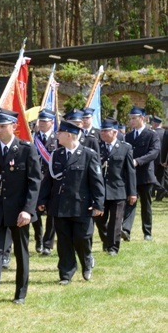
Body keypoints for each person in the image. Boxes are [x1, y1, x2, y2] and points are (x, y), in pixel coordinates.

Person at [0, 109, 41, 308]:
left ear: (14, 126)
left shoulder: (26, 149)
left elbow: (34, 182)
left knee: (21, 253)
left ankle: (20, 292)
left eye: (3, 126)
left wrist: (28, 210)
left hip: (19, 211)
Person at [38, 121, 104, 285]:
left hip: (81, 205)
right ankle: (66, 273)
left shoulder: (88, 154)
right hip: (60, 206)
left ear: (69, 135)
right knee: (64, 241)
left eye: (59, 133)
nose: (56, 135)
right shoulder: (56, 155)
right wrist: (42, 200)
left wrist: (98, 204)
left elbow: (97, 181)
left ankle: (87, 261)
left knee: (82, 238)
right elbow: (48, 180)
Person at [95, 119, 136, 256]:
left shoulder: (125, 148)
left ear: (115, 132)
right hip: (101, 191)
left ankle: (113, 247)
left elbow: (130, 171)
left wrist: (132, 192)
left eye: (106, 131)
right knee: (100, 219)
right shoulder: (97, 147)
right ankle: (106, 241)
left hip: (118, 190)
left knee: (116, 220)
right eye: (102, 131)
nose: (103, 133)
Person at [122, 107, 160, 241]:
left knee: (146, 205)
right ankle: (125, 230)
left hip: (145, 175)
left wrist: (138, 161)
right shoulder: (128, 136)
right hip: (131, 175)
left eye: (134, 118)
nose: (131, 121)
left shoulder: (151, 134)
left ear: (142, 118)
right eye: (130, 118)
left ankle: (147, 232)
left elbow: (154, 152)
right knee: (130, 202)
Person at [32, 109, 58, 256]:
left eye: (44, 121)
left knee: (52, 213)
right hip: (36, 181)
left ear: (51, 122)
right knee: (35, 211)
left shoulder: (57, 139)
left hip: (52, 181)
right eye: (40, 121)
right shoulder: (33, 138)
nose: (41, 123)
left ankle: (48, 243)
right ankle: (38, 238)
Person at [149, 116, 165, 200]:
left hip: (153, 158)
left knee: (152, 176)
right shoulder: (164, 132)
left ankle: (151, 193)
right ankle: (159, 195)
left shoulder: (152, 133)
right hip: (162, 159)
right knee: (161, 177)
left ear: (155, 124)